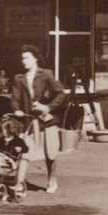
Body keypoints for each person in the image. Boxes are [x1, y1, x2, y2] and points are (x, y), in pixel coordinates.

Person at [10, 45, 68, 193]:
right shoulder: (19, 78)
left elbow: (61, 94)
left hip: (46, 120)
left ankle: (52, 180)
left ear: (35, 58)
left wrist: (47, 107)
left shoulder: (46, 74)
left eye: (27, 58)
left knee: (50, 154)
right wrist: (17, 110)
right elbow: (14, 99)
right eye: (22, 58)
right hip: (29, 121)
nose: (23, 61)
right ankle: (19, 183)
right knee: (24, 151)